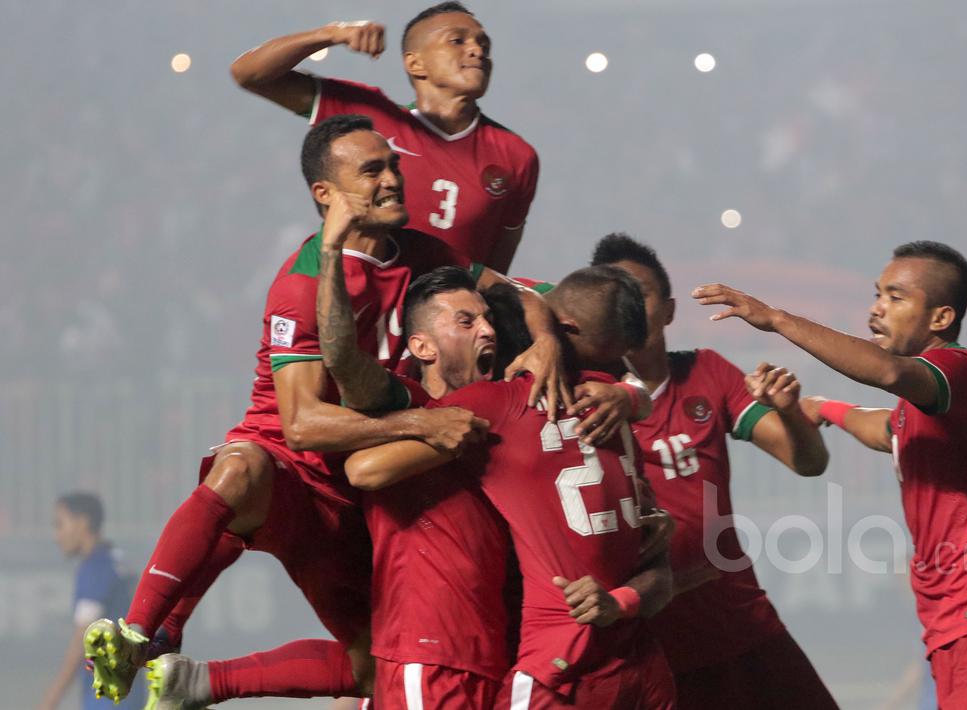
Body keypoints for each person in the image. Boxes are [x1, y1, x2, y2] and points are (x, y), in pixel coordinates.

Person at [84, 115, 564, 705]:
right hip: (292, 469)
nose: (393, 179)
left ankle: (200, 681)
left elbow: (517, 291)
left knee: (368, 666)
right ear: (326, 194)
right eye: (372, 171)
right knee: (240, 469)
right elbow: (304, 425)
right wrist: (420, 420)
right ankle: (145, 629)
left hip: (355, 493)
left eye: (392, 165)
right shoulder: (300, 283)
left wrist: (542, 339)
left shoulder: (419, 252)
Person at [694, 241, 967, 709]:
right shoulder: (924, 408)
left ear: (940, 318)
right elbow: (885, 428)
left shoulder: (957, 369)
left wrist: (777, 320)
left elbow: (888, 373)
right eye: (877, 294)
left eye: (896, 297)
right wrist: (818, 408)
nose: (877, 309)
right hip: (959, 620)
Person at [346, 265, 677, 708]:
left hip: (558, 665)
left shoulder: (491, 407)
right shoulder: (607, 398)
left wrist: (428, 422)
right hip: (643, 664)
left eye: (486, 323)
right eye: (468, 323)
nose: (483, 332)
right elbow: (661, 572)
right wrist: (632, 393)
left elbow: (365, 470)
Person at [589, 233, 840, 709]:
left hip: (739, 620)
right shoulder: (587, 396)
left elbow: (809, 461)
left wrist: (788, 410)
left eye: (638, 294)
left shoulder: (708, 373)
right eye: (613, 297)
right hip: (648, 640)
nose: (629, 309)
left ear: (668, 309)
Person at [231, 1, 538, 273]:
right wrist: (331, 34)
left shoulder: (516, 156)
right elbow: (248, 74)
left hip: (443, 325)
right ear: (414, 63)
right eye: (457, 41)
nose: (477, 50)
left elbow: (496, 270)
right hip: (365, 312)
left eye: (484, 43)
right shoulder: (369, 120)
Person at [39, 493, 144, 709]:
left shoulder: (94, 568)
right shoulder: (117, 563)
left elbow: (82, 638)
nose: (57, 535)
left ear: (82, 523)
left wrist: (52, 698)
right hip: (131, 692)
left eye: (60, 524)